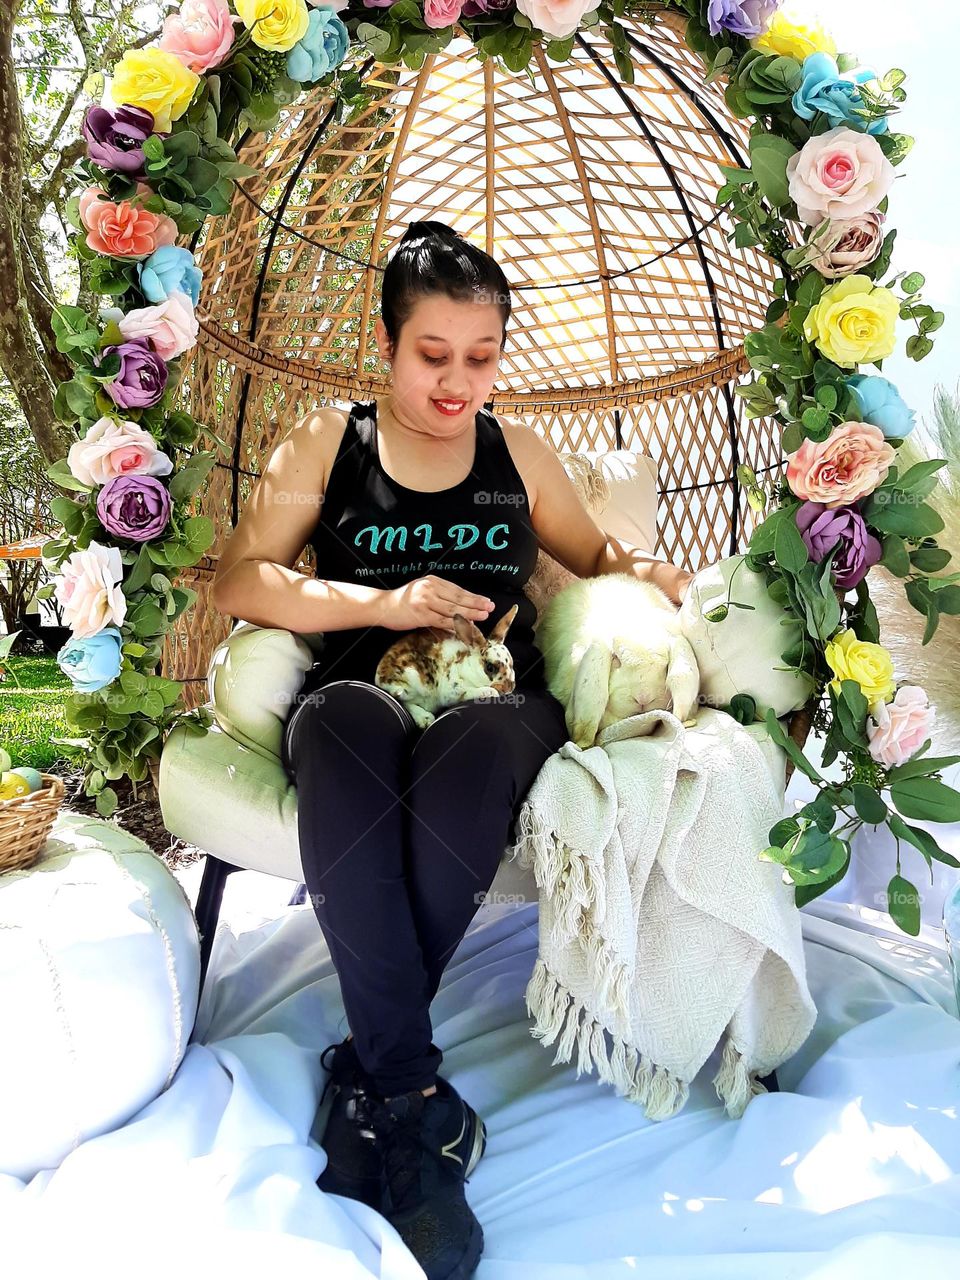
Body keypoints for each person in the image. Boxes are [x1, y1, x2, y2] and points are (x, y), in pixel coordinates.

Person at [211, 220, 694, 1280]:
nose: (457, 381)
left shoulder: (516, 451)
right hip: (361, 685)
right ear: (388, 343)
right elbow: (241, 578)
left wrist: (652, 575)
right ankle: (412, 1096)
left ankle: (382, 1088)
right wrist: (383, 599)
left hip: (497, 694)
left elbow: (597, 553)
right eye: (434, 354)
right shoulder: (323, 443)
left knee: (479, 744)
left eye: (482, 357)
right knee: (337, 728)